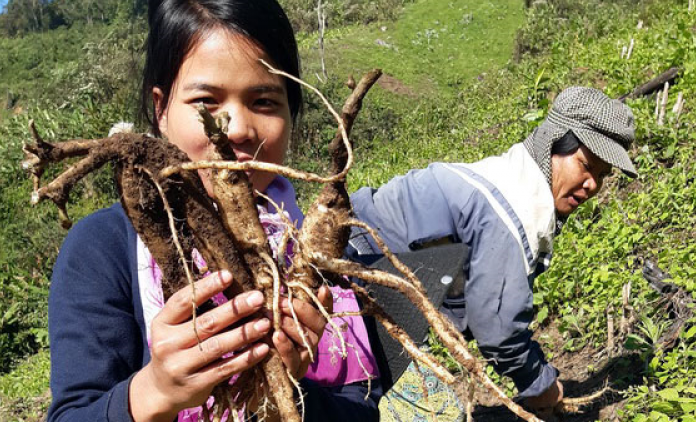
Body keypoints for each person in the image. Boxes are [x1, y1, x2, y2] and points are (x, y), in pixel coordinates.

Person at [46, 1, 382, 421]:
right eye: (206, 101)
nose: (237, 128)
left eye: (264, 101)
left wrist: (290, 389)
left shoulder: (313, 242)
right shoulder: (100, 249)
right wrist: (154, 391)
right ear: (160, 109)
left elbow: (362, 407)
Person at [347, 86, 638, 418]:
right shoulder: (518, 206)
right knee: (436, 413)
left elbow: (479, 297)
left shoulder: (511, 171)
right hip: (363, 269)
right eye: (586, 166)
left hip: (365, 254)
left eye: (602, 175)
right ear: (554, 143)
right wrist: (540, 383)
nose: (592, 185)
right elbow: (498, 329)